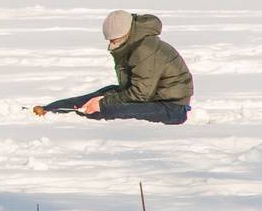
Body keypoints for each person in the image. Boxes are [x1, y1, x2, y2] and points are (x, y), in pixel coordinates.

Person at [34, 11, 192, 126]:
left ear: (126, 35)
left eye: (114, 40)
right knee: (104, 92)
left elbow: (141, 94)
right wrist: (104, 98)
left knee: (107, 110)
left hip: (171, 108)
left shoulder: (145, 49)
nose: (111, 45)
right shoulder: (135, 43)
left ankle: (69, 114)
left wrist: (103, 103)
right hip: (150, 99)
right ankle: (50, 109)